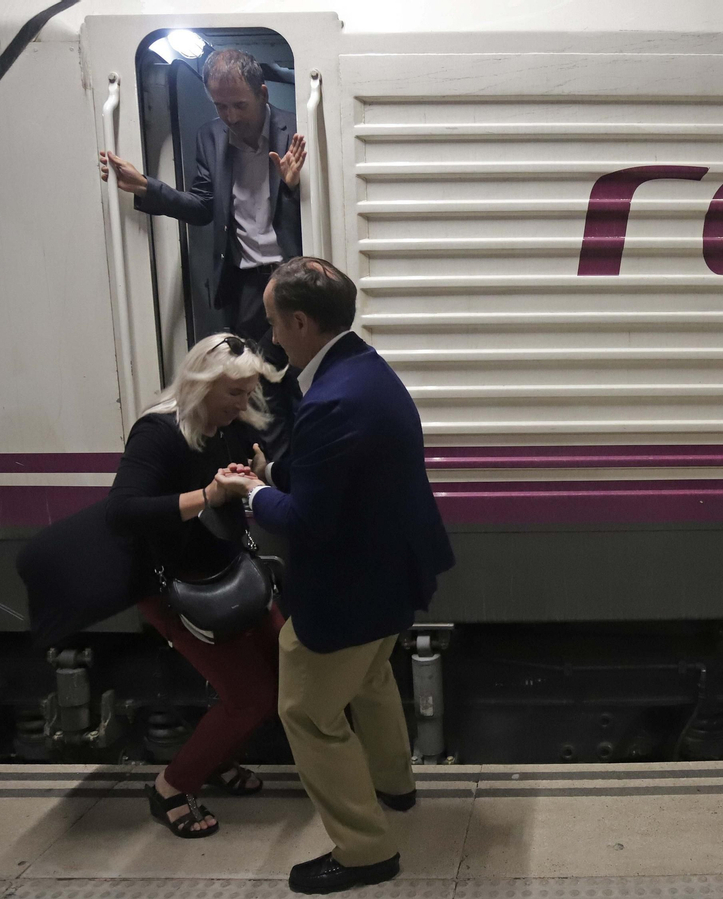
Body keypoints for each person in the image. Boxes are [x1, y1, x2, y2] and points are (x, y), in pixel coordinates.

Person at [215, 257, 455, 893]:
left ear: (300, 322)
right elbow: (343, 483)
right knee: (372, 680)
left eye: (273, 324)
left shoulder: (331, 400)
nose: (269, 338)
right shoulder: (365, 371)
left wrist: (246, 492)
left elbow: (306, 522)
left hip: (347, 586)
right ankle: (393, 788)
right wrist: (274, 475)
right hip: (390, 571)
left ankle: (363, 851)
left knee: (308, 712)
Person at [104, 333, 288, 839]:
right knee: (250, 698)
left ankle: (217, 761)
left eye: (249, 391)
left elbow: (231, 487)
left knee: (284, 677)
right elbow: (122, 512)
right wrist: (208, 494)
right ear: (199, 385)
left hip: (229, 574)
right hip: (174, 585)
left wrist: (247, 477)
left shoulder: (230, 428)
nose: (243, 403)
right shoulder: (157, 432)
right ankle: (171, 787)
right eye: (233, 393)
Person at [98, 47, 305, 452]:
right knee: (256, 386)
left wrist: (295, 188)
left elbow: (323, 205)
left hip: (292, 278)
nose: (230, 115)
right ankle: (272, 480)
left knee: (300, 380)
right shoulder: (210, 136)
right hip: (245, 283)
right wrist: (146, 186)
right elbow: (202, 206)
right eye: (220, 105)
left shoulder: (297, 129)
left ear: (263, 93)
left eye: (239, 104)